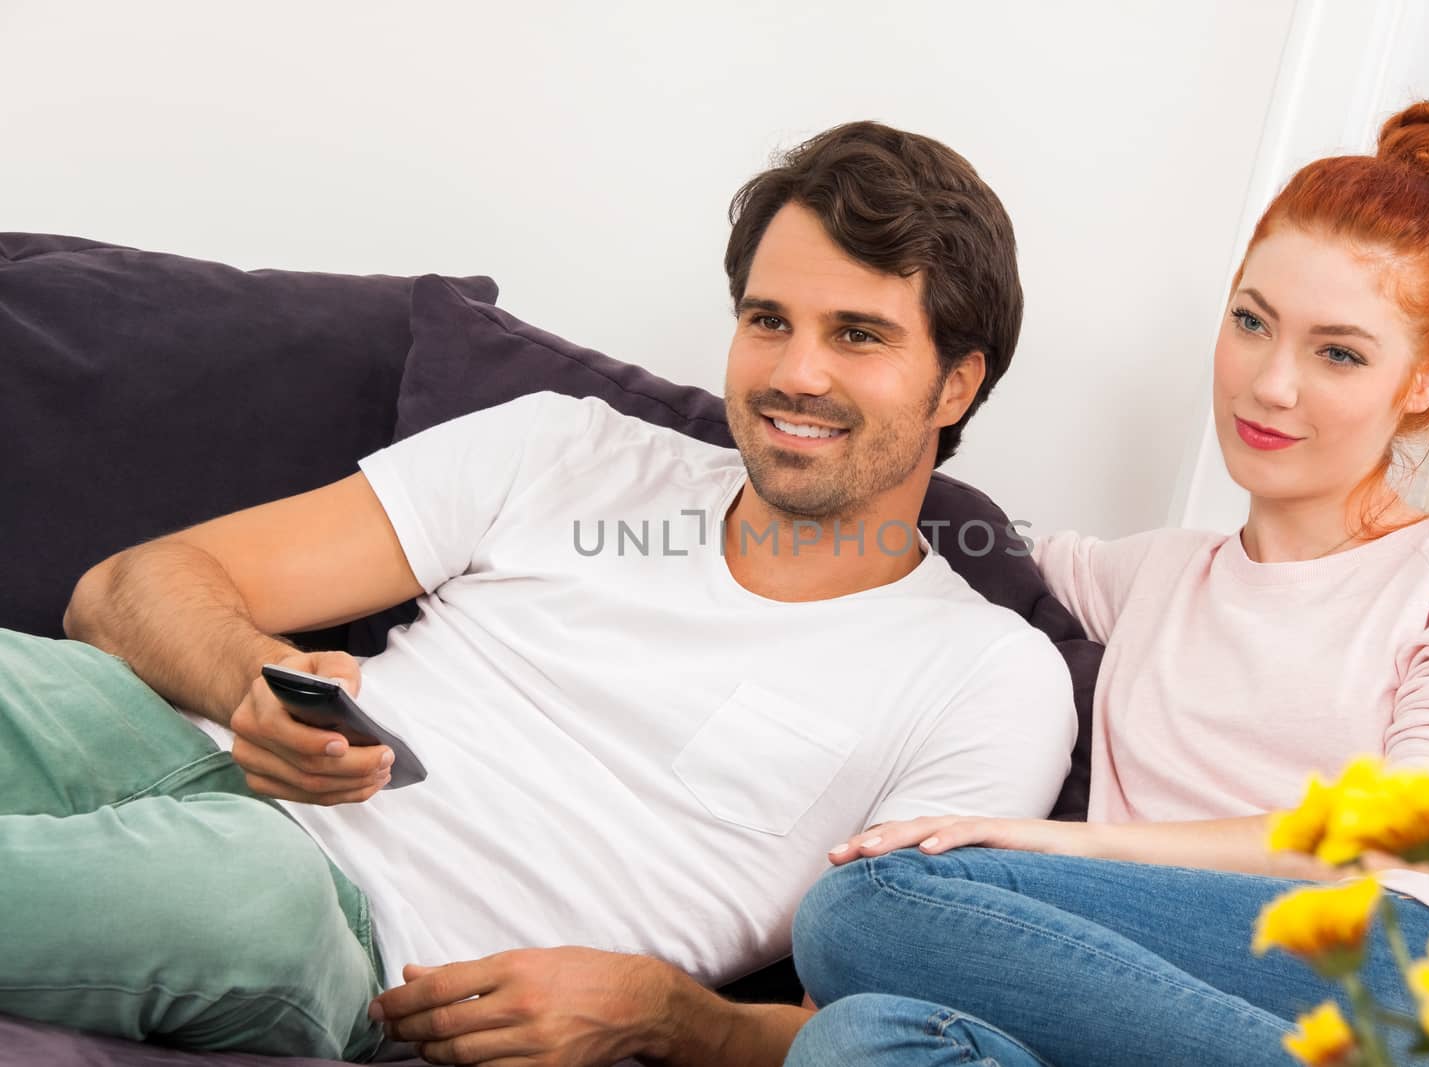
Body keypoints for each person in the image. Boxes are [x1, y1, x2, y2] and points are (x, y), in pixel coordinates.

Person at [0, 121, 1076, 1066]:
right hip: (168, 738)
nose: (796, 371)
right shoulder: (569, 444)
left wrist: (665, 1012)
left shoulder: (986, 675)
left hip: (345, 928)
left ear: (957, 381)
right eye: (768, 319)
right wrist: (249, 681)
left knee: (236, 887)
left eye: (857, 334)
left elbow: (877, 1032)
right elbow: (134, 585)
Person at [784, 99, 1429, 1066]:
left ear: (1428, 377)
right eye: (1252, 323)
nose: (1271, 384)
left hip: (1419, 971)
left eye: (1338, 351)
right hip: (1184, 1017)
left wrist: (1043, 845)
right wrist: (786, 427)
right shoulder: (1150, 578)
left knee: (859, 913)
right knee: (858, 1037)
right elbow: (938, 524)